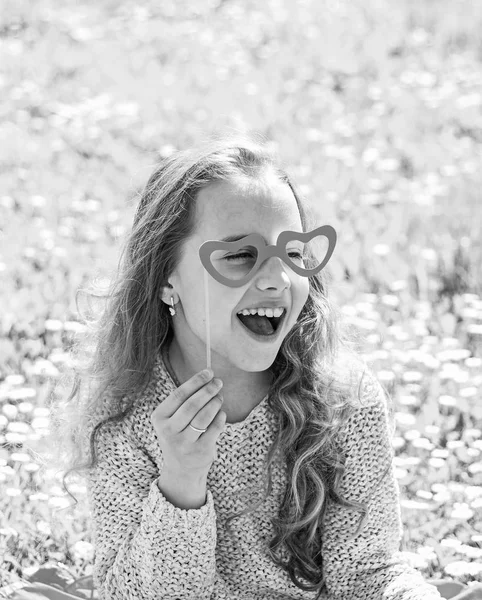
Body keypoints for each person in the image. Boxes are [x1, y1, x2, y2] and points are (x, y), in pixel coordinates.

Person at [46, 131, 481, 600]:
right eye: (238, 255)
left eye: (293, 253)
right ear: (166, 278)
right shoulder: (123, 410)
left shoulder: (341, 398)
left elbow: (368, 571)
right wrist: (181, 482)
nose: (278, 279)